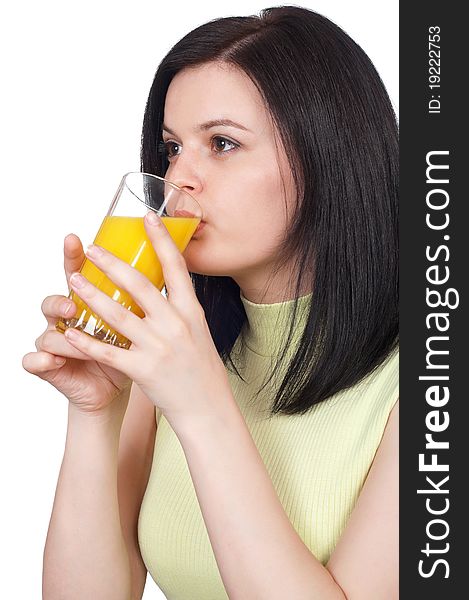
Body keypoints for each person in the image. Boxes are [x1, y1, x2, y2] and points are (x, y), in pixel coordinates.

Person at [23, 6, 398, 599]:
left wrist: (201, 408)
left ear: (329, 157)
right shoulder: (175, 346)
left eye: (222, 143)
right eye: (171, 148)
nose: (178, 180)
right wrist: (95, 414)